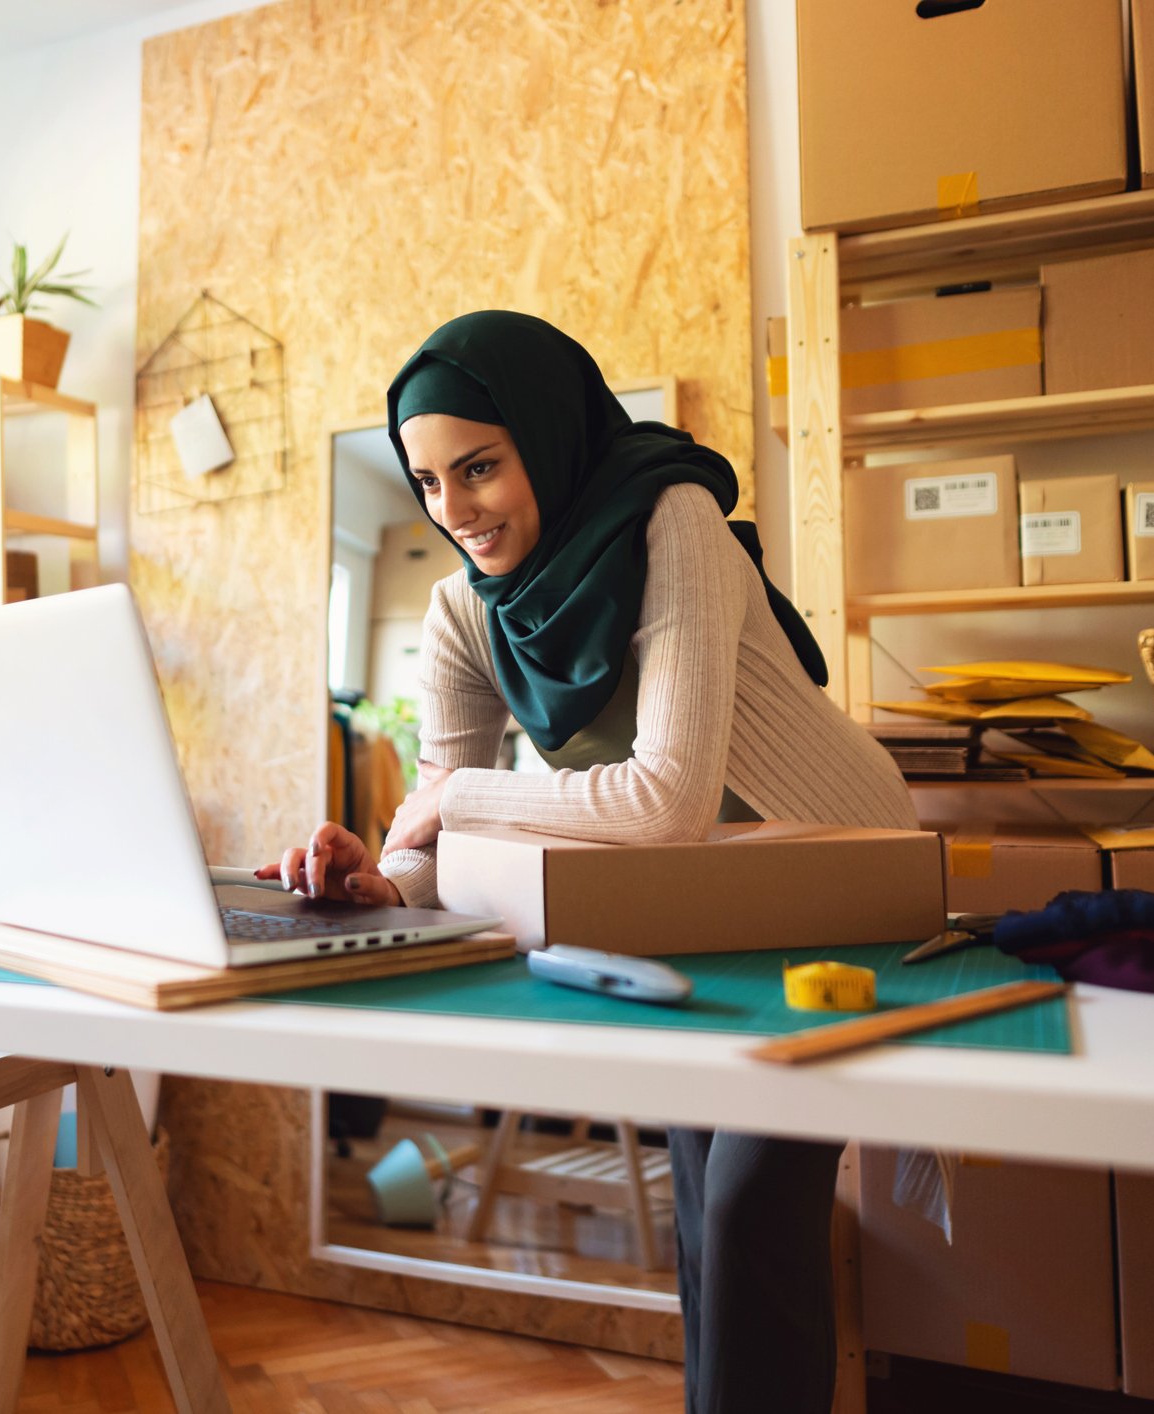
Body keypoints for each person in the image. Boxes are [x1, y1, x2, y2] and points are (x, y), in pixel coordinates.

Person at [260, 310, 916, 1413]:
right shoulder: (462, 615)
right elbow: (435, 843)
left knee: (752, 1203)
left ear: (549, 439)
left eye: (478, 467)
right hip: (694, 900)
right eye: (426, 480)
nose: (452, 511)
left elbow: (659, 799)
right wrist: (385, 883)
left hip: (840, 877)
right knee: (702, 1205)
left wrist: (444, 805)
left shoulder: (674, 521)